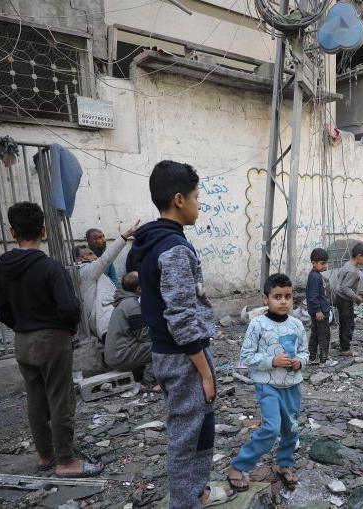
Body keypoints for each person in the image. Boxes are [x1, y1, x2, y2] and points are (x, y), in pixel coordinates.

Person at [125, 161, 232, 508]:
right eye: (197, 198)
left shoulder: (150, 240)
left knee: (200, 425)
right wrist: (204, 372)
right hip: (184, 356)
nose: (200, 205)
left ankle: (196, 489)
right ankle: (185, 501)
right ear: (179, 200)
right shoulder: (173, 249)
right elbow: (182, 318)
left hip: (172, 353)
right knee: (187, 433)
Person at [0, 202, 101, 477]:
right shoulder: (50, 267)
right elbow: (68, 307)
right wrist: (68, 328)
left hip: (23, 340)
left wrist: (19, 325)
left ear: (12, 231)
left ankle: (45, 455)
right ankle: (65, 462)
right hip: (52, 339)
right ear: (43, 230)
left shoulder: (4, 266)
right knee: (60, 398)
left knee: (36, 399)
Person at [227, 273, 308, 492]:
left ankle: (285, 464)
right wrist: (272, 360)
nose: (283, 301)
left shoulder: (297, 325)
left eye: (288, 296)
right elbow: (247, 356)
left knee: (290, 429)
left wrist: (299, 362)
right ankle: (238, 466)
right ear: (266, 299)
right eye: (277, 296)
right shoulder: (257, 325)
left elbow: (304, 351)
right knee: (271, 429)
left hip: (292, 386)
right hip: (268, 385)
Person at [75, 221, 139, 343]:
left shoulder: (90, 270)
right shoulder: (85, 270)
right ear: (79, 259)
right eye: (89, 254)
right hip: (107, 326)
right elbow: (105, 259)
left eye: (93, 254)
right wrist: (126, 235)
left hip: (112, 321)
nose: (93, 257)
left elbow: (113, 282)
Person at [104, 271, 158, 392]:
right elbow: (145, 337)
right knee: (161, 345)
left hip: (116, 355)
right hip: (120, 357)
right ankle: (160, 380)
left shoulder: (124, 302)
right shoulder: (132, 305)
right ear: (139, 289)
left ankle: (140, 378)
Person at [333, 242, 363, 356]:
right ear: (359, 256)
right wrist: (356, 296)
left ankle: (344, 345)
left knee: (344, 323)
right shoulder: (353, 271)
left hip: (340, 297)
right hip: (344, 300)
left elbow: (339, 278)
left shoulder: (347, 264)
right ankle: (345, 349)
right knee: (348, 324)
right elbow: (345, 287)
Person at [307, 248, 336, 367]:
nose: (325, 266)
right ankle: (324, 360)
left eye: (325, 263)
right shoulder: (315, 277)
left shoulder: (316, 275)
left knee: (315, 334)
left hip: (319, 311)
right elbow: (313, 296)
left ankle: (312, 357)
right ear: (314, 263)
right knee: (324, 335)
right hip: (320, 313)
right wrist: (318, 311)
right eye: (322, 263)